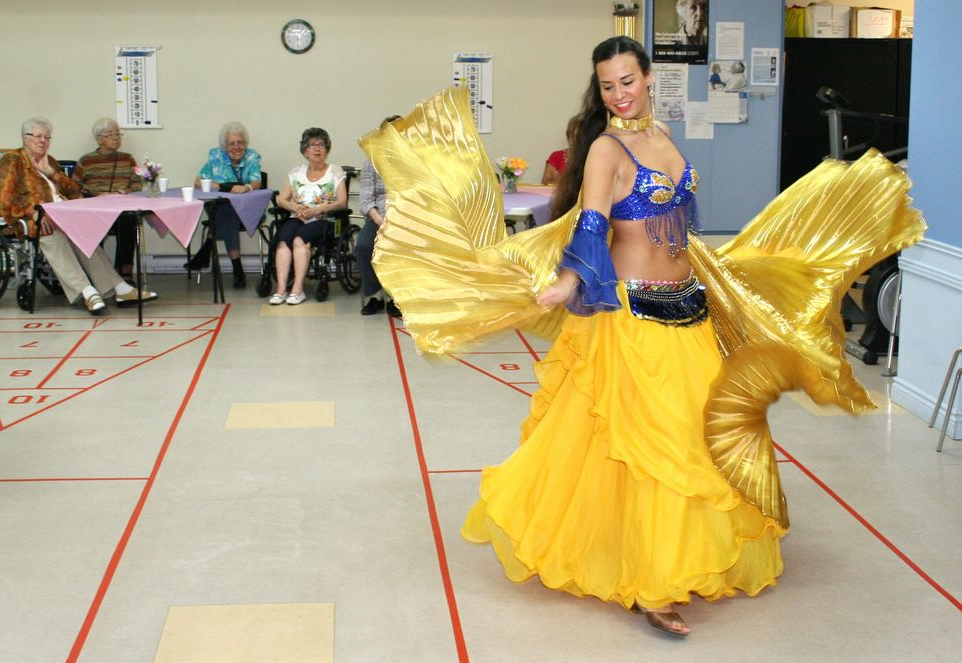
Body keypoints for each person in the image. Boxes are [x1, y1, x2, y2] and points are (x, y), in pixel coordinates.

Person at [358, 36, 924, 638]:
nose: (619, 94)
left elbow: (676, 224)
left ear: (648, 78)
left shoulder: (663, 137)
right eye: (608, 85)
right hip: (631, 317)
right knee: (653, 443)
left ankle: (678, 553)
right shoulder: (606, 149)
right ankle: (652, 583)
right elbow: (592, 222)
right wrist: (569, 279)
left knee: (698, 436)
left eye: (627, 81)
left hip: (688, 308)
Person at [0, 118, 156, 314]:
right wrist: (31, 212)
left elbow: (75, 191)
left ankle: (120, 289)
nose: (43, 141)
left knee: (84, 239)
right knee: (54, 237)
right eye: (38, 136)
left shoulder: (50, 161)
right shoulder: (12, 160)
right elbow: (0, 197)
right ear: (24, 138)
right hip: (34, 220)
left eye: (47, 137)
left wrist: (51, 173)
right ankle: (87, 292)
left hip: (63, 215)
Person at [268, 128, 347, 306]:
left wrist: (319, 209)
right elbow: (281, 199)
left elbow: (342, 202)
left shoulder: (335, 171)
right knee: (283, 240)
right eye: (312, 145)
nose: (317, 149)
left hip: (323, 220)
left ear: (327, 149)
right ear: (305, 151)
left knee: (299, 239)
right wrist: (294, 207)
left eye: (322, 145)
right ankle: (281, 290)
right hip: (298, 217)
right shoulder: (296, 171)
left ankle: (297, 289)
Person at [189, 121, 263, 288]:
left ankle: (209, 244)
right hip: (223, 210)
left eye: (240, 142)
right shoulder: (216, 157)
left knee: (226, 212)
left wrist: (246, 187)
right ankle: (237, 269)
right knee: (227, 211)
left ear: (245, 143)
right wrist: (221, 187)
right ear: (224, 146)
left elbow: (257, 182)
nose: (237, 147)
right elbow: (197, 182)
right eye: (232, 143)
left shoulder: (252, 157)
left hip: (248, 210)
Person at [71, 117, 142, 280]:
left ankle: (125, 271)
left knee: (129, 219)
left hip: (121, 208)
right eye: (110, 134)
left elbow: (138, 184)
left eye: (118, 133)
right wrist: (96, 195)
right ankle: (97, 272)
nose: (116, 137)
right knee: (90, 223)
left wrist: (123, 192)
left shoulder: (127, 159)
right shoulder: (86, 160)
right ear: (99, 139)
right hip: (96, 208)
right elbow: (74, 187)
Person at [356, 115, 402, 316]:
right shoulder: (372, 161)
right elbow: (366, 199)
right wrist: (379, 219)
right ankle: (374, 296)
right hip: (379, 216)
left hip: (406, 219)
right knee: (364, 245)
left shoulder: (415, 162)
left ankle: (394, 297)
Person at [540, 117, 577, 186]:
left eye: (578, 137)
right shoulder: (556, 156)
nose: (575, 140)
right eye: (572, 136)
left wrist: (560, 180)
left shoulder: (591, 158)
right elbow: (544, 184)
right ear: (568, 137)